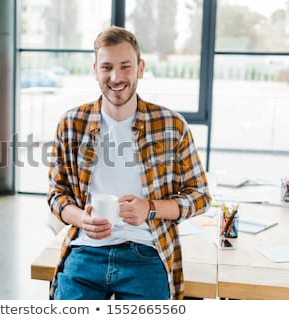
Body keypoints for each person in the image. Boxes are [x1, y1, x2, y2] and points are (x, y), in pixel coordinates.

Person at [47, 25, 212, 300]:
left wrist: (150, 208)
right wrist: (82, 219)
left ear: (140, 68)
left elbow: (200, 196)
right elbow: (56, 195)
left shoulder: (171, 125)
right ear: (95, 69)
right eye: (106, 67)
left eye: (125, 66)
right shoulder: (72, 123)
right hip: (85, 252)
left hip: (146, 253)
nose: (115, 77)